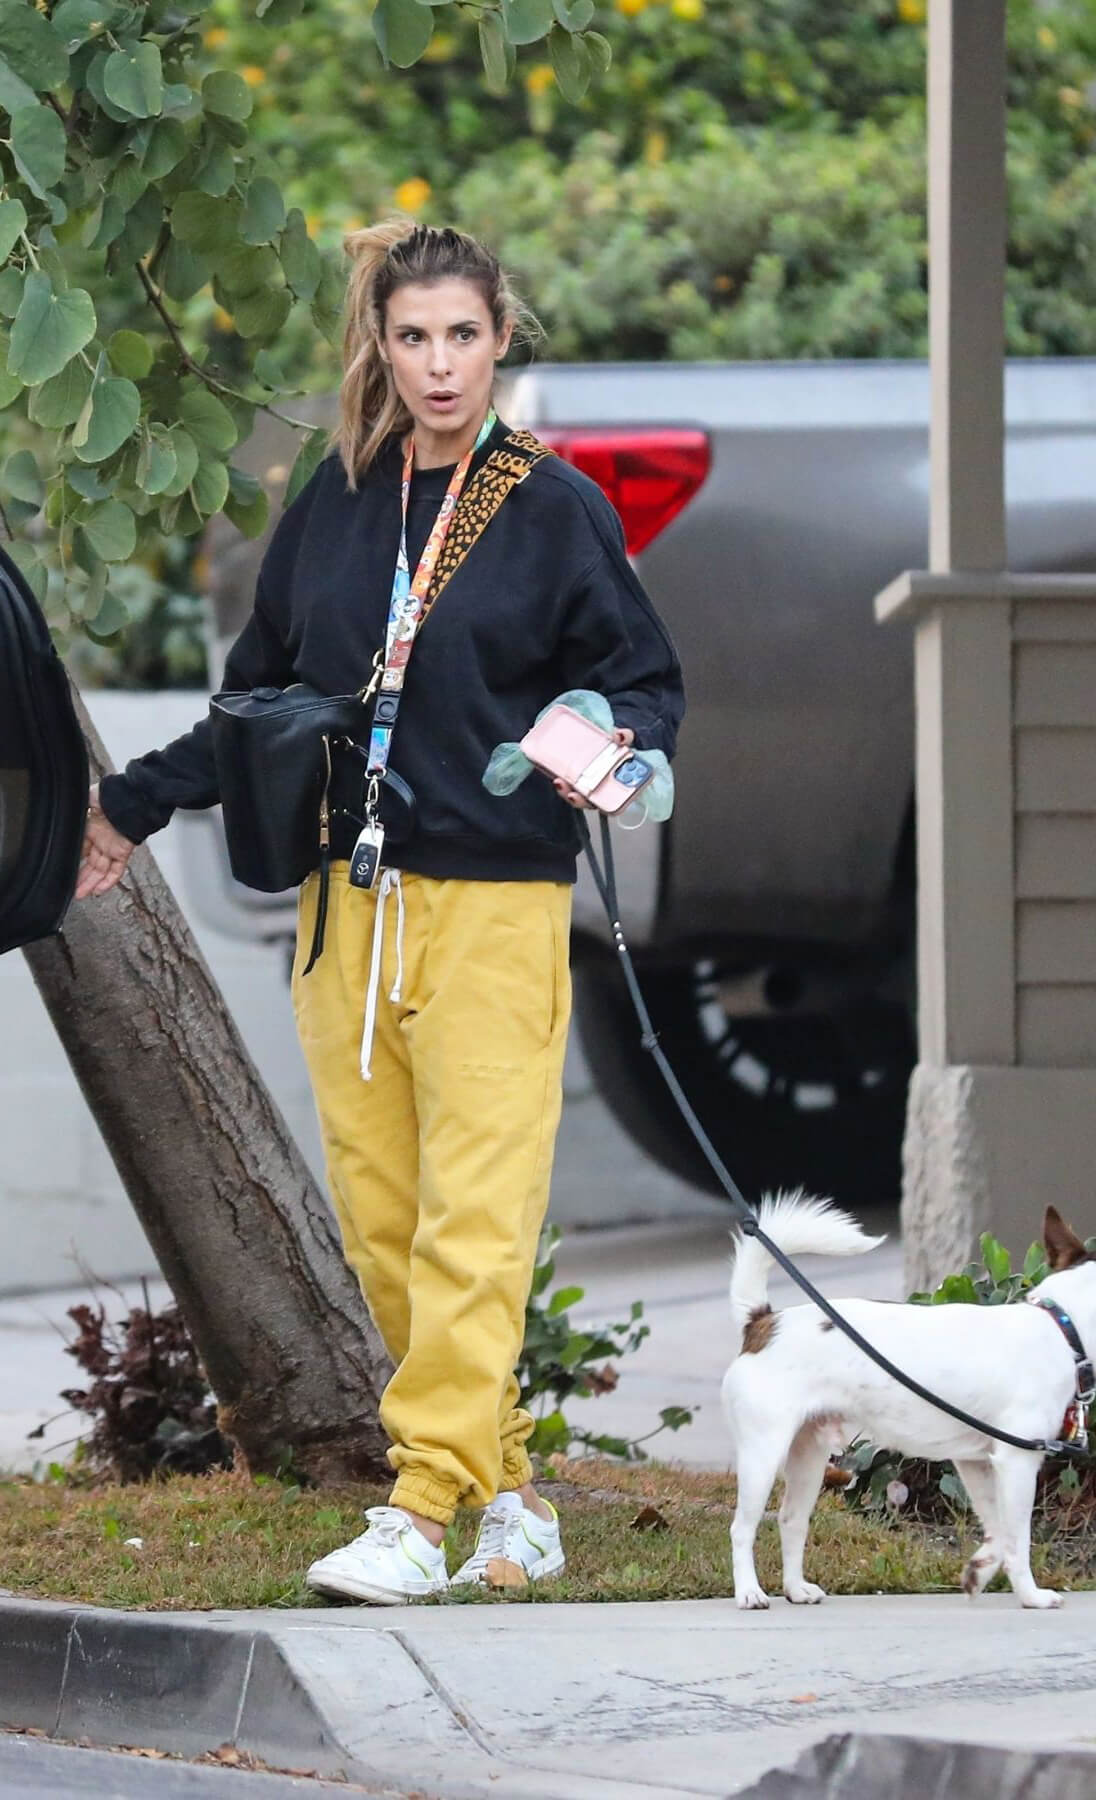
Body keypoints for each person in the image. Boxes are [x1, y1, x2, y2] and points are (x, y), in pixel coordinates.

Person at [75, 218, 685, 1603]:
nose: (439, 363)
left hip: (494, 912)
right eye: (413, 337)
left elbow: (645, 679)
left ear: (501, 337)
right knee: (390, 1233)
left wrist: (608, 742)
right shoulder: (339, 503)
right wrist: (133, 806)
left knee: (473, 1227)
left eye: (462, 335)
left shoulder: (549, 505)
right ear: (382, 346)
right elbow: (261, 691)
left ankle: (417, 1509)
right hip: (347, 914)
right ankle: (513, 1498)